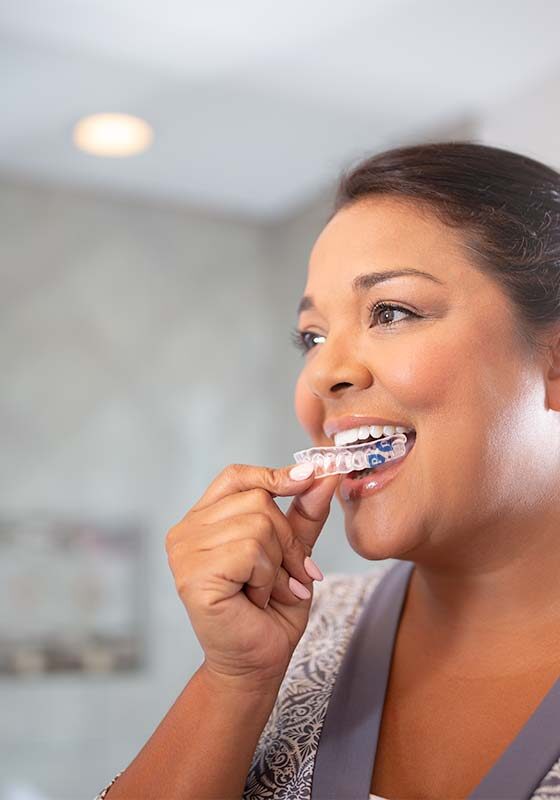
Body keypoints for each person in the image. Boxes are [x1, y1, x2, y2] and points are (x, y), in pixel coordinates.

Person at [95, 141, 560, 800]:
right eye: (311, 338)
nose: (320, 373)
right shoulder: (294, 629)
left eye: (391, 312)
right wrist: (237, 682)